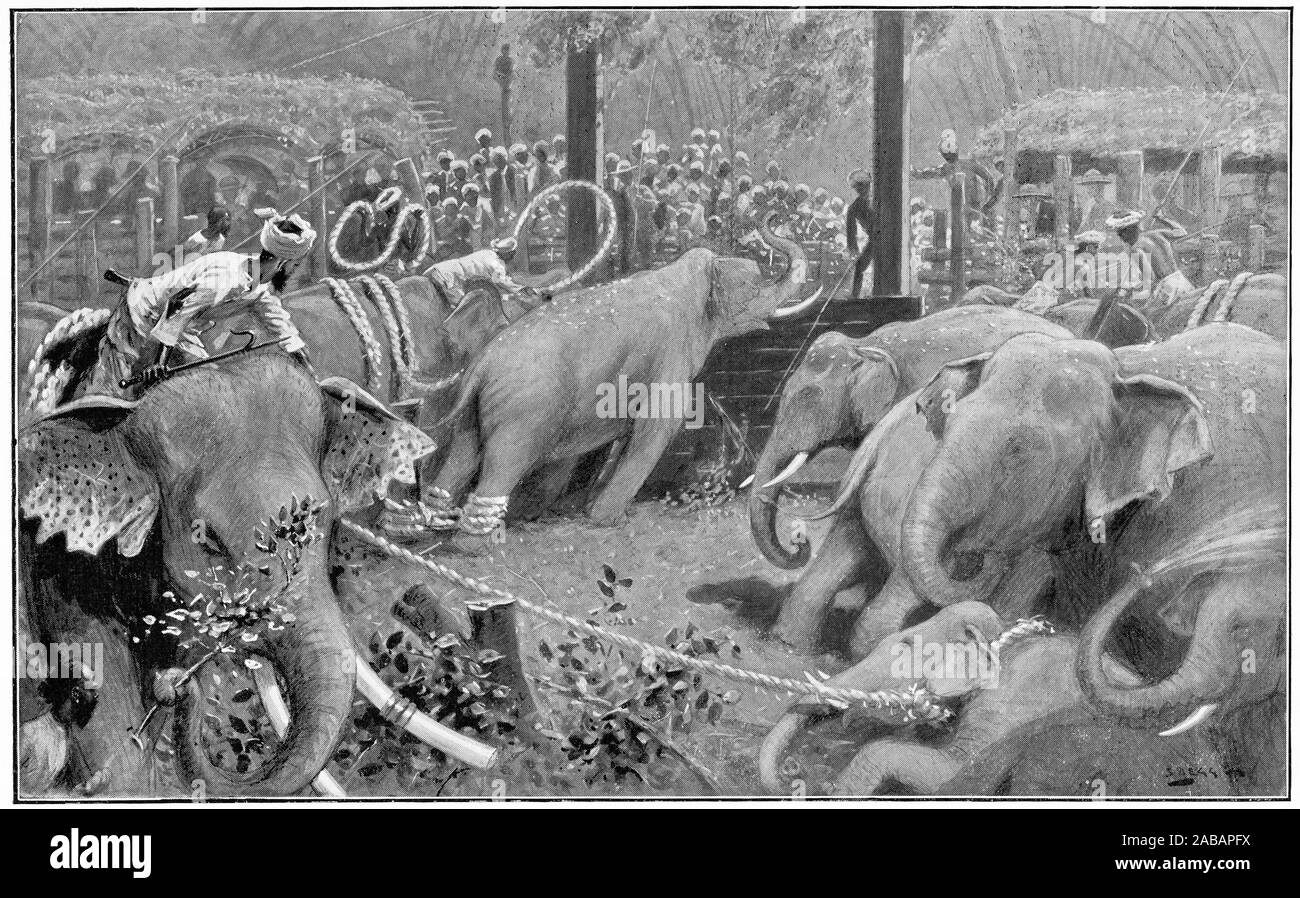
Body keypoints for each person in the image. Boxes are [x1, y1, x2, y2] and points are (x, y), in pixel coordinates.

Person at [88, 209, 316, 399]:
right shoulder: (226, 279)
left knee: (207, 382)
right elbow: (177, 309)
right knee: (200, 384)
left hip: (178, 325)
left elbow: (281, 328)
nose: (293, 273)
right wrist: (158, 364)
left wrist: (306, 367)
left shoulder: (258, 287)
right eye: (294, 267)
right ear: (283, 263)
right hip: (147, 312)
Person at [1106, 208, 1190, 305]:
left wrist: (1128, 294)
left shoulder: (1135, 249)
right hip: (1181, 282)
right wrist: (1162, 218)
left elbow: (1150, 280)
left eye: (1121, 233)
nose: (1120, 237)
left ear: (1129, 230)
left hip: (1168, 291)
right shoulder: (1157, 234)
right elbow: (1182, 232)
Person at [911, 129, 996, 224]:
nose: (948, 156)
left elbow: (988, 177)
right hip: (964, 204)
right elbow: (929, 173)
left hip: (974, 202)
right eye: (946, 154)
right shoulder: (949, 168)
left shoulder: (966, 164)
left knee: (973, 225)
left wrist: (988, 198)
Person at [423, 237, 533, 308]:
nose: (513, 256)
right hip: (448, 278)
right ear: (508, 253)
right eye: (512, 253)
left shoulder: (487, 253)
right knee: (463, 309)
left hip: (437, 269)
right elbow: (500, 281)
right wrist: (521, 288)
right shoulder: (496, 264)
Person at [845, 169, 874, 299]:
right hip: (875, 240)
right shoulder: (854, 207)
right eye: (857, 187)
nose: (859, 189)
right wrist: (853, 249)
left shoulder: (880, 200)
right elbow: (851, 232)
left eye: (862, 186)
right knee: (859, 267)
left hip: (885, 240)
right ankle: (855, 296)